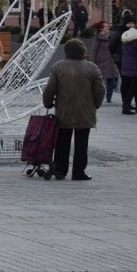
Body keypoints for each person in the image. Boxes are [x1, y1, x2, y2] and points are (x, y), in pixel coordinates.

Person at [43, 39, 105, 181]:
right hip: (85, 112)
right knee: (82, 144)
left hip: (63, 111)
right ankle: (78, 172)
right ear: (83, 51)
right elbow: (100, 90)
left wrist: (47, 103)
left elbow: (50, 89)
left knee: (62, 142)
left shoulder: (58, 67)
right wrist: (96, 104)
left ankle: (60, 170)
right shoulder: (92, 68)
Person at [90, 21, 118, 103]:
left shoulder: (112, 37)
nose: (108, 28)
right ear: (101, 28)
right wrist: (93, 62)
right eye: (106, 26)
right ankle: (98, 96)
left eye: (108, 26)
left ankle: (109, 97)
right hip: (101, 62)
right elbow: (94, 51)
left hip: (111, 62)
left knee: (111, 80)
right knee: (99, 81)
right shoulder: (98, 38)